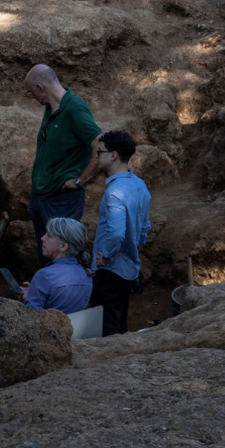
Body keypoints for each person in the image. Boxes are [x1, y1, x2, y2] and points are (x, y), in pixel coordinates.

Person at [23, 64, 103, 263]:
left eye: (31, 91)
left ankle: (69, 291)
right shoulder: (51, 108)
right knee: (46, 254)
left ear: (41, 88)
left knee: (62, 255)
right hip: (42, 198)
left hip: (62, 201)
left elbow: (100, 145)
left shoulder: (75, 108)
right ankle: (47, 291)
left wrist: (79, 181)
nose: (31, 97)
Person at [89, 131, 152, 336]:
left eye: (99, 152)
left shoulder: (114, 193)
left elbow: (115, 233)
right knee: (120, 317)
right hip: (128, 267)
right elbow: (144, 228)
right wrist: (133, 247)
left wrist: (106, 256)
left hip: (111, 270)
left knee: (108, 326)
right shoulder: (139, 184)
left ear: (113, 155)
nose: (96, 156)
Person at [21, 216, 92, 314]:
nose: (42, 238)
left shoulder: (44, 276)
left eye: (49, 236)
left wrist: (30, 297)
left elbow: (31, 317)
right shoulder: (87, 275)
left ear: (63, 246)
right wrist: (34, 290)